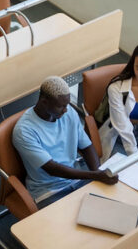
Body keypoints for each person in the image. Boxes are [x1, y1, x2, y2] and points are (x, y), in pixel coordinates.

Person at [12, 76, 118, 208]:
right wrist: (95, 175)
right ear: (44, 102)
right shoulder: (24, 131)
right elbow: (52, 169)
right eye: (60, 106)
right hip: (48, 191)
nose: (65, 110)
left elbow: (86, 146)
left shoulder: (68, 113)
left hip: (77, 180)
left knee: (109, 206)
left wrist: (98, 172)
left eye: (67, 105)